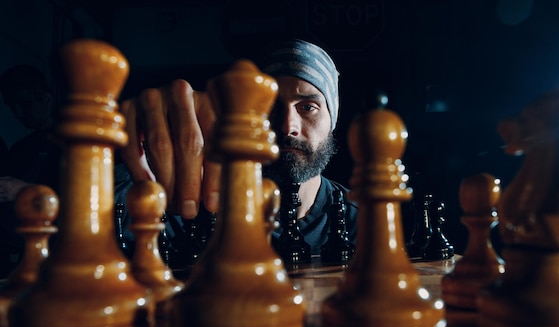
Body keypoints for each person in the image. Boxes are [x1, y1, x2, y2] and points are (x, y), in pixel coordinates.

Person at [116, 39, 357, 260]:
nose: (287, 126)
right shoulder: (189, 203)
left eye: (308, 107)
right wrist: (142, 158)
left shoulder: (365, 219)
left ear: (332, 120)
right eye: (271, 107)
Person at [0, 64, 61, 276]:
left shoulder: (73, 144)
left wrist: (24, 192)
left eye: (24, 104)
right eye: (11, 106)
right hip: (18, 259)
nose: (17, 113)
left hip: (56, 257)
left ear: (46, 98)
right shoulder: (20, 149)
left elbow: (85, 204)